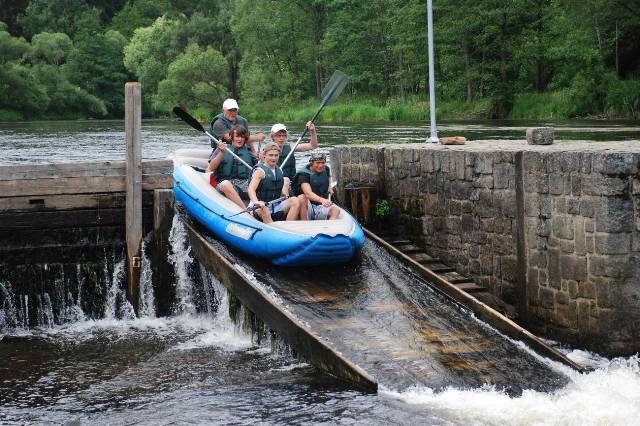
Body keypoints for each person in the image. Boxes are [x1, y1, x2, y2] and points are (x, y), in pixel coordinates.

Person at [247, 142, 300, 224]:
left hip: (275, 205)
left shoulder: (279, 170)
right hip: (259, 207)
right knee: (265, 210)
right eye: (270, 155)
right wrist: (256, 202)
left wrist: (284, 194)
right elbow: (251, 188)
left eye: (276, 155)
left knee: (295, 201)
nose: (273, 158)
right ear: (264, 155)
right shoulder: (259, 171)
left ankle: (288, 227)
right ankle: (273, 230)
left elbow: (277, 189)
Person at [207, 125, 256, 209]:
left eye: (242, 137)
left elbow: (258, 171)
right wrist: (222, 153)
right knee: (225, 184)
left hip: (244, 184)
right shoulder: (221, 149)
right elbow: (211, 168)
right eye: (237, 136)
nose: (240, 139)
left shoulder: (249, 152)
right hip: (226, 183)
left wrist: (261, 160)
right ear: (231, 137)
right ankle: (245, 211)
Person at [293, 152, 340, 220]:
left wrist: (329, 186)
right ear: (311, 163)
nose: (320, 165)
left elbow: (329, 176)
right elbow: (308, 193)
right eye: (317, 163)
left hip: (320, 205)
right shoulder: (303, 174)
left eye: (323, 163)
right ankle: (304, 224)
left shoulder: (326, 169)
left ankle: (328, 228)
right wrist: (322, 200)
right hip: (307, 206)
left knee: (336, 211)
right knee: (301, 197)